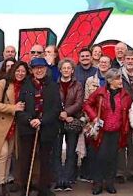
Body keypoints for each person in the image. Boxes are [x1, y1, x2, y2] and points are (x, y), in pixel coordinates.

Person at [17, 57, 61, 196]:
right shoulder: (26, 85)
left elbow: (56, 108)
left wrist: (41, 120)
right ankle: (24, 186)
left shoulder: (53, 85)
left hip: (46, 127)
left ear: (46, 69)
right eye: (36, 68)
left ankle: (44, 187)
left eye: (42, 67)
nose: (39, 70)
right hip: (28, 127)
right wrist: (30, 119)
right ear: (32, 70)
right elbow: (20, 108)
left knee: (45, 159)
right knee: (26, 158)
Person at [85, 68, 132, 195]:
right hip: (102, 131)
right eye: (118, 78)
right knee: (100, 157)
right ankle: (98, 183)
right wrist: (94, 117)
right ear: (110, 80)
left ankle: (110, 183)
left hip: (117, 131)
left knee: (113, 158)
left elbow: (127, 112)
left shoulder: (126, 95)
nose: (120, 81)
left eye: (120, 78)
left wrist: (126, 127)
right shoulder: (100, 93)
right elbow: (87, 104)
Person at [0, 62, 27, 196]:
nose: (20, 73)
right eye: (18, 71)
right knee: (2, 154)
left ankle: (3, 185)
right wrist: (13, 108)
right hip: (0, 123)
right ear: (13, 71)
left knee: (9, 155)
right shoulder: (3, 83)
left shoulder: (26, 86)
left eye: (23, 71)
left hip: (15, 126)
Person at [53, 58, 85, 191]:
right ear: (60, 70)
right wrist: (61, 114)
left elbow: (79, 103)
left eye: (68, 68)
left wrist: (66, 113)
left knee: (71, 152)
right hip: (57, 121)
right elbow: (52, 101)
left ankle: (68, 179)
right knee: (57, 151)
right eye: (63, 68)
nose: (66, 70)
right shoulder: (54, 84)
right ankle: (59, 179)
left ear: (72, 70)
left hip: (72, 120)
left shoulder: (78, 85)